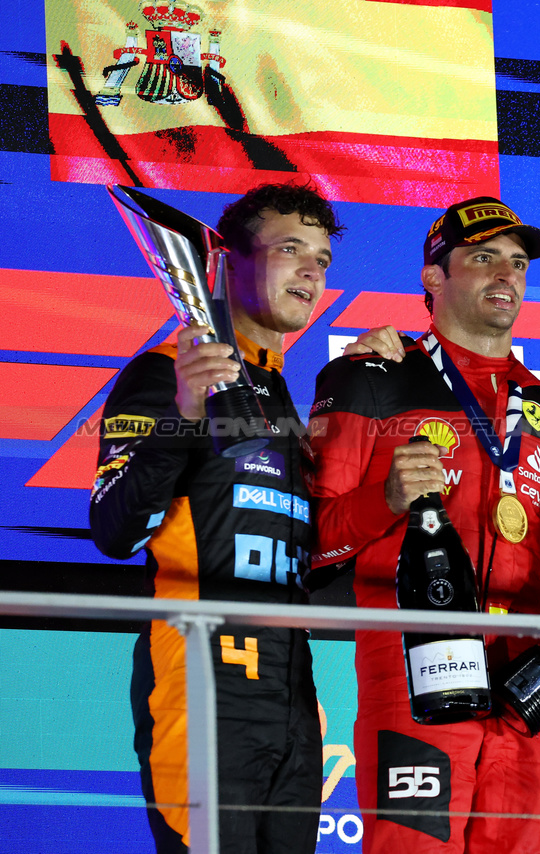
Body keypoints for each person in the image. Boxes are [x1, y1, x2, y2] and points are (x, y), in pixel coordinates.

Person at [303, 197, 540, 853]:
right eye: (483, 259)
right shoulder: (370, 379)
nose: (506, 276)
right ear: (433, 277)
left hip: (526, 691)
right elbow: (308, 546)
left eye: (516, 262)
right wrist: (386, 500)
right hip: (414, 675)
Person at [90, 183, 344, 853]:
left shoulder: (284, 396)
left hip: (293, 701)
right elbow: (115, 531)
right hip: (203, 689)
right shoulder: (164, 373)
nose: (311, 271)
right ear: (227, 262)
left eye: (321, 258)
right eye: (291, 250)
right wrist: (185, 413)